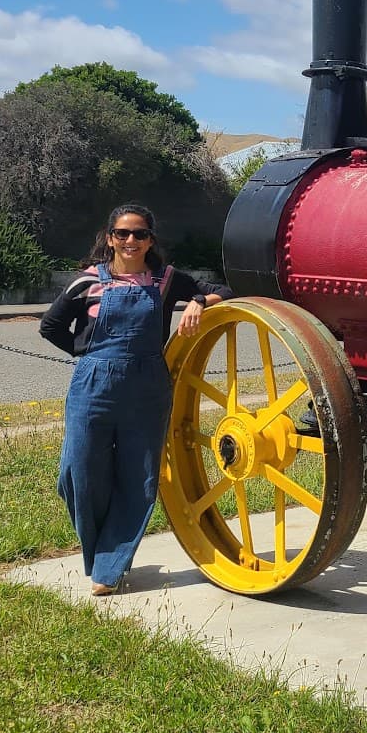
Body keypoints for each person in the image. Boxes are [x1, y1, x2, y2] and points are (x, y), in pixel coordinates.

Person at [39, 203, 233, 596]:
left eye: (140, 234)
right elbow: (50, 325)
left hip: (147, 388)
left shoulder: (165, 279)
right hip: (93, 385)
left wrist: (197, 301)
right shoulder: (86, 282)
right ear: (109, 238)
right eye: (123, 233)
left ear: (150, 240)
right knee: (76, 471)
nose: (131, 241)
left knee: (137, 476)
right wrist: (86, 353)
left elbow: (224, 291)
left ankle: (109, 568)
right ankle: (102, 550)